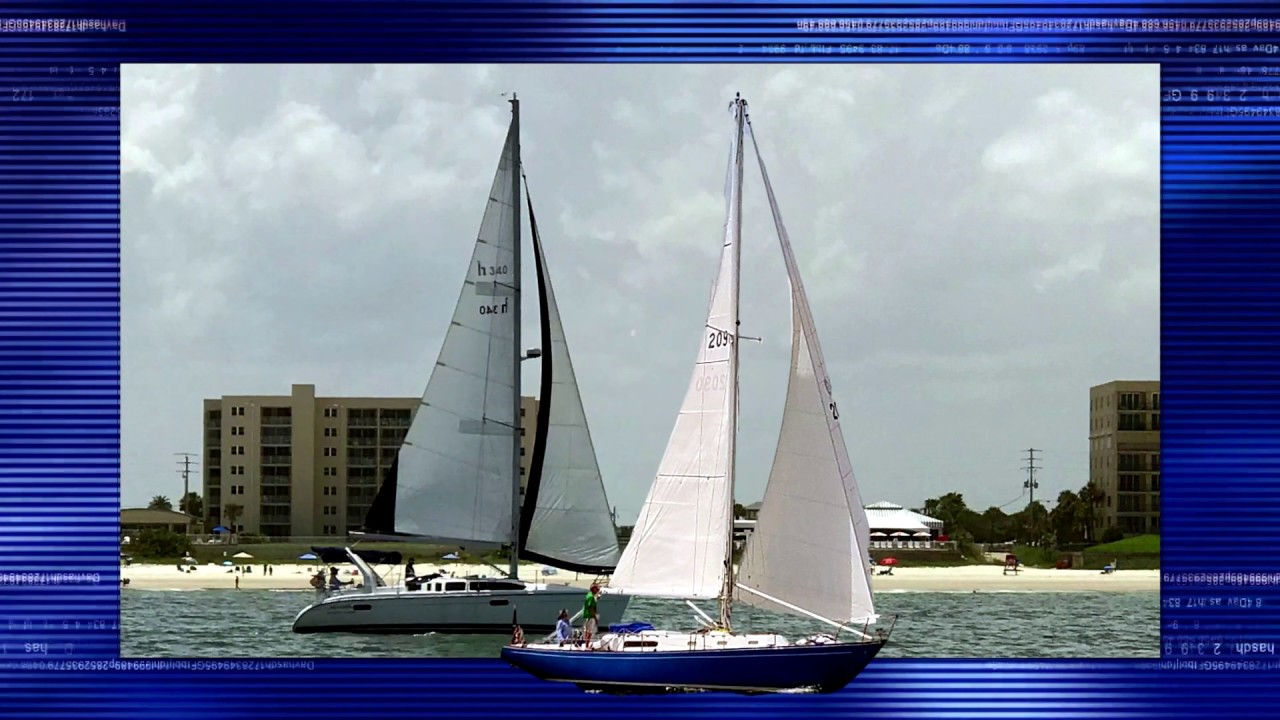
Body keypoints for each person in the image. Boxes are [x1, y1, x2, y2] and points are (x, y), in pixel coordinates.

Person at [582, 584, 600, 648]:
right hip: (590, 616)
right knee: (589, 631)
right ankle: (587, 646)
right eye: (597, 588)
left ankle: (586, 644)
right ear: (593, 589)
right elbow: (590, 608)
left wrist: (596, 598)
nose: (598, 590)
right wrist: (595, 618)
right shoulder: (591, 597)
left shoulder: (589, 595)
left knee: (587, 631)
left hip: (587, 616)